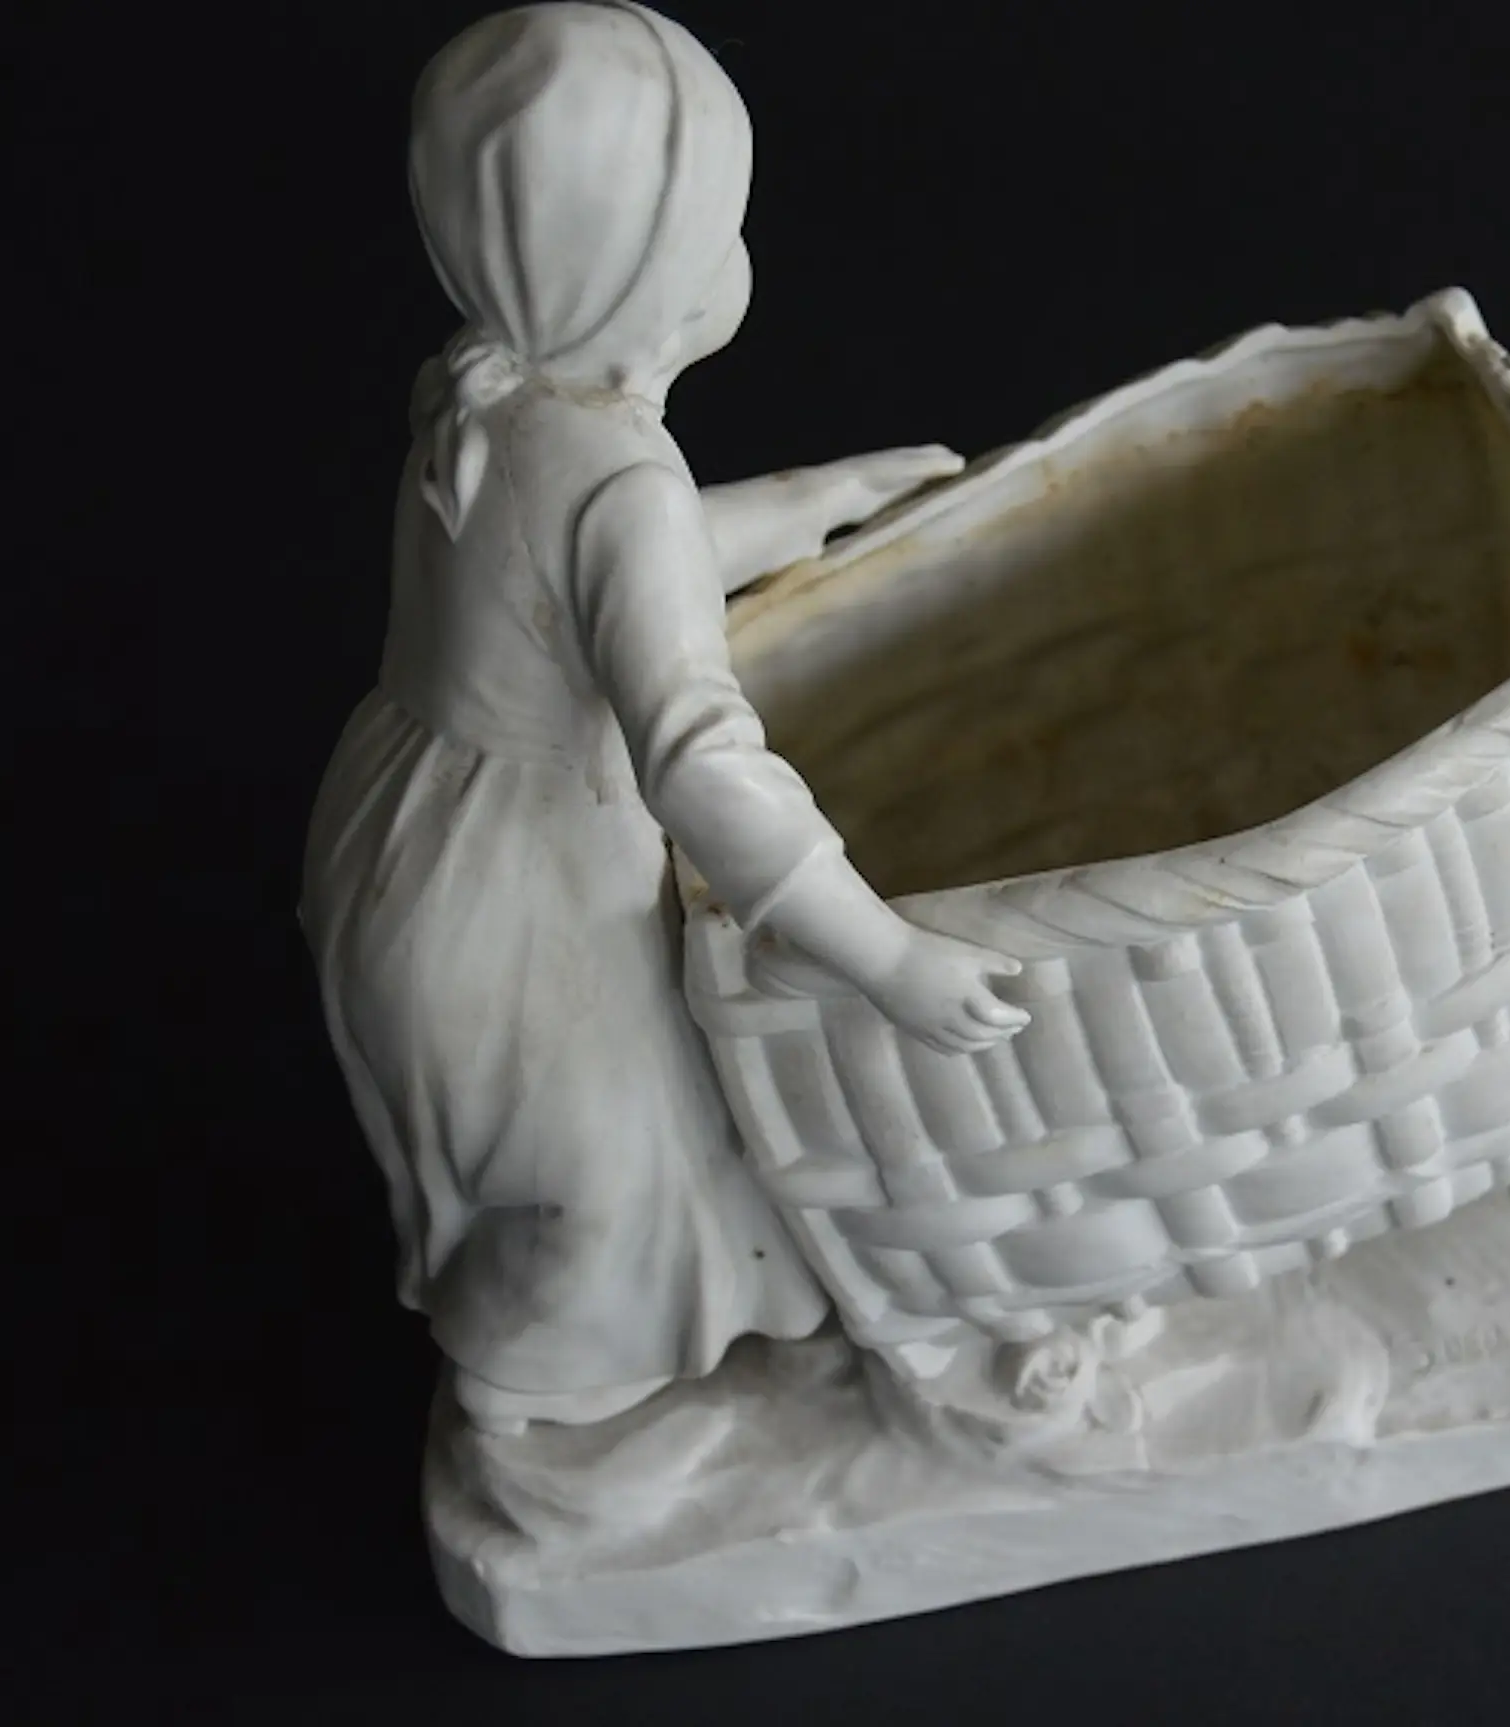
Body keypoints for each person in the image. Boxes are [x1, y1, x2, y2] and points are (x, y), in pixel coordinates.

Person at [302, 2, 1025, 1436]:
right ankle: (535, 1388)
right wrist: (883, 952)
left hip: (400, 822)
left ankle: (565, 1334)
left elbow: (565, 582)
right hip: (524, 884)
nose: (731, 258)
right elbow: (695, 755)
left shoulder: (476, 395)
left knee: (594, 1150)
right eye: (711, 229)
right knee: (617, 1168)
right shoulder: (617, 475)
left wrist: (806, 505)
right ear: (633, 268)